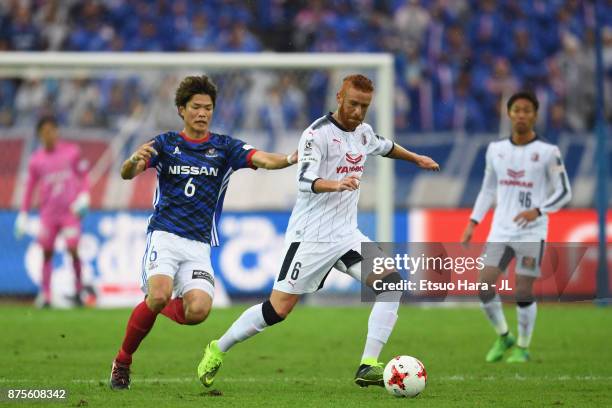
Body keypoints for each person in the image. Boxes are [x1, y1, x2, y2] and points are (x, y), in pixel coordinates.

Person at [197, 74, 440, 388]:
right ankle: (218, 347)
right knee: (277, 310)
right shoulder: (316, 135)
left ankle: (368, 365)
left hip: (346, 235)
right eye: (353, 103)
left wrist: (415, 158)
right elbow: (304, 181)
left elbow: (386, 146)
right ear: (339, 97)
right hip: (310, 237)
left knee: (390, 285)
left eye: (364, 106)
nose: (357, 111)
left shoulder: (364, 133)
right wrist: (336, 184)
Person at [109, 75, 297, 390]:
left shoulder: (224, 147)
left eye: (207, 108)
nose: (202, 113)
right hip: (165, 236)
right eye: (196, 107)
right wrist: (131, 161)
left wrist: (291, 158)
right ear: (182, 109)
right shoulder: (166, 143)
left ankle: (154, 300)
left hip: (198, 245)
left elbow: (263, 159)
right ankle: (123, 361)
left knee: (197, 311)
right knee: (159, 294)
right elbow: (128, 173)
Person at [461, 91, 572, 363]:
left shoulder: (548, 153)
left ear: (535, 115)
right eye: (516, 110)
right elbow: (487, 190)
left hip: (532, 232)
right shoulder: (495, 150)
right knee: (484, 285)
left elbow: (564, 191)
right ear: (508, 114)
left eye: (527, 110)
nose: (521, 115)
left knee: (523, 290)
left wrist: (539, 210)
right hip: (500, 230)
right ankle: (504, 335)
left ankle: (522, 347)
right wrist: (473, 222)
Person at [14, 116, 90, 308]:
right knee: (47, 252)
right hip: (48, 214)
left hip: (69, 213)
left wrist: (84, 196)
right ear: (40, 135)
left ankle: (79, 290)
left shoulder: (72, 152)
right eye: (44, 131)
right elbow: (30, 188)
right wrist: (23, 214)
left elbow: (83, 175)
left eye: (51, 130)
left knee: (73, 249)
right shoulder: (36, 160)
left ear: (57, 131)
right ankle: (46, 294)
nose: (49, 134)